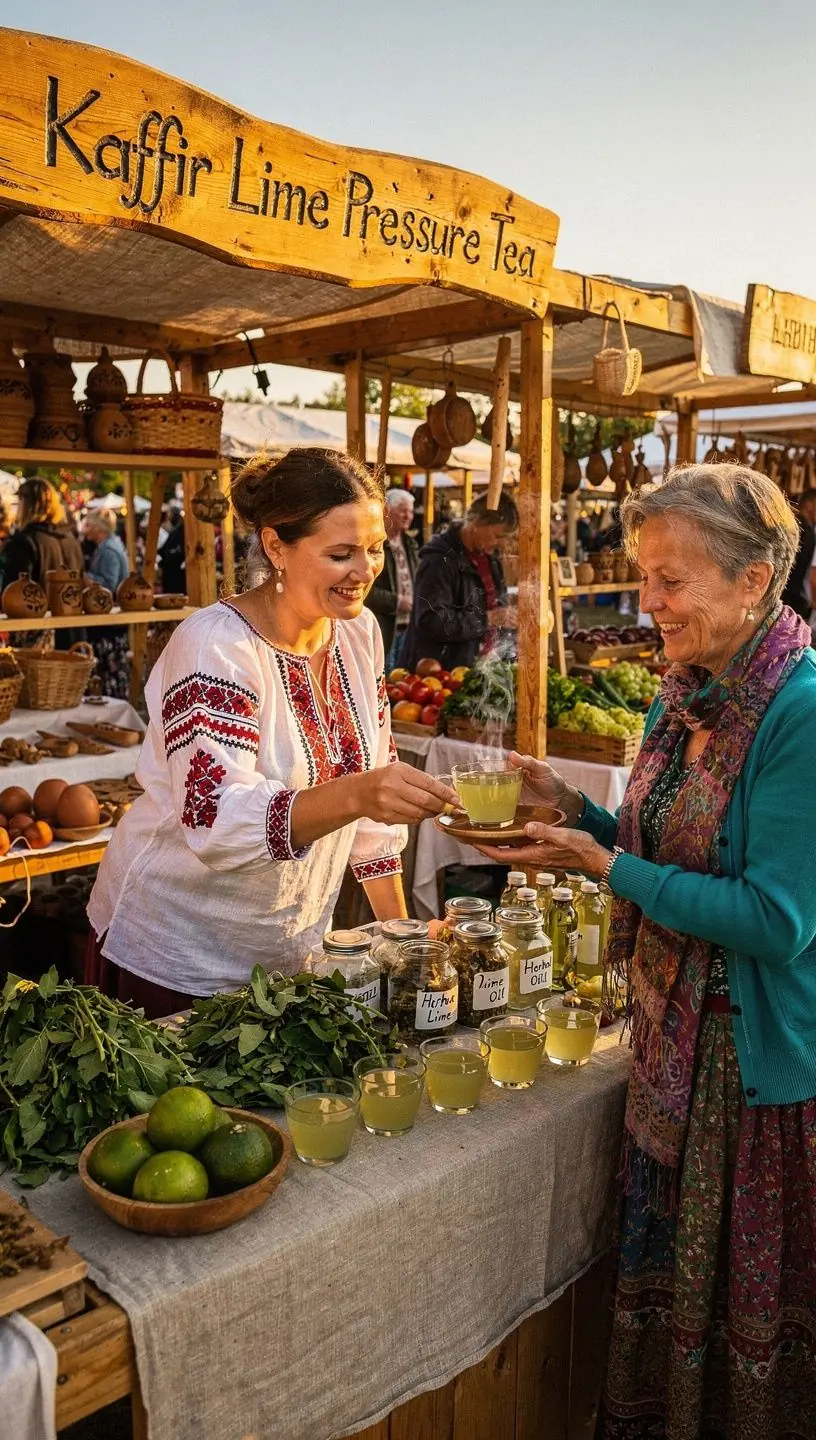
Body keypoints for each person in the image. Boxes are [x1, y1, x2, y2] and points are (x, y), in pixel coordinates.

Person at [476, 463, 816, 1440]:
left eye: (671, 580)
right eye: (644, 577)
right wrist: (575, 814)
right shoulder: (687, 691)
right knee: (670, 1314)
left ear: (753, 581)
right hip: (675, 1046)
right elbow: (661, 844)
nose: (648, 603)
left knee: (739, 1329)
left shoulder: (799, 712)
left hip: (749, 1075)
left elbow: (778, 919)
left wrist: (608, 866)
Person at [86, 448, 456, 1017]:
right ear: (276, 546)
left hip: (289, 953)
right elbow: (216, 819)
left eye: (375, 548)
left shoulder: (359, 634)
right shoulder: (216, 646)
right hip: (176, 955)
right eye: (341, 554)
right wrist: (359, 793)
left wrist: (403, 940)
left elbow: (372, 816)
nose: (365, 571)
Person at [400, 493, 518, 672]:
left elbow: (495, 607)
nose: (501, 544)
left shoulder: (491, 560)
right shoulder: (438, 560)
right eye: (497, 535)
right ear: (477, 521)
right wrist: (487, 619)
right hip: (440, 674)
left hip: (477, 669)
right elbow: (431, 622)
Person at [0, 477, 85, 649]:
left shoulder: (25, 541)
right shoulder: (70, 540)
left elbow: (13, 592)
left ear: (27, 504)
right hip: (72, 633)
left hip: (39, 639)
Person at [364, 487, 419, 672]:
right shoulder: (374, 545)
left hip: (408, 628)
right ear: (387, 512)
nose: (408, 516)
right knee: (384, 675)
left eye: (411, 511)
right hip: (384, 628)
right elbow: (366, 589)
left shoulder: (410, 544)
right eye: (403, 511)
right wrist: (396, 601)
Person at [83, 510, 130, 698]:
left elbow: (109, 585)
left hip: (110, 622)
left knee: (110, 669)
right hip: (111, 620)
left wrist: (86, 578)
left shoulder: (108, 550)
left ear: (98, 527)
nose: (86, 530)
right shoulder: (109, 546)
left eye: (89, 525)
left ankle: (114, 702)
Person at [781, 487, 816, 619]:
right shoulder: (803, 529)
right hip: (792, 597)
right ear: (809, 504)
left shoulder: (791, 523)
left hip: (785, 594)